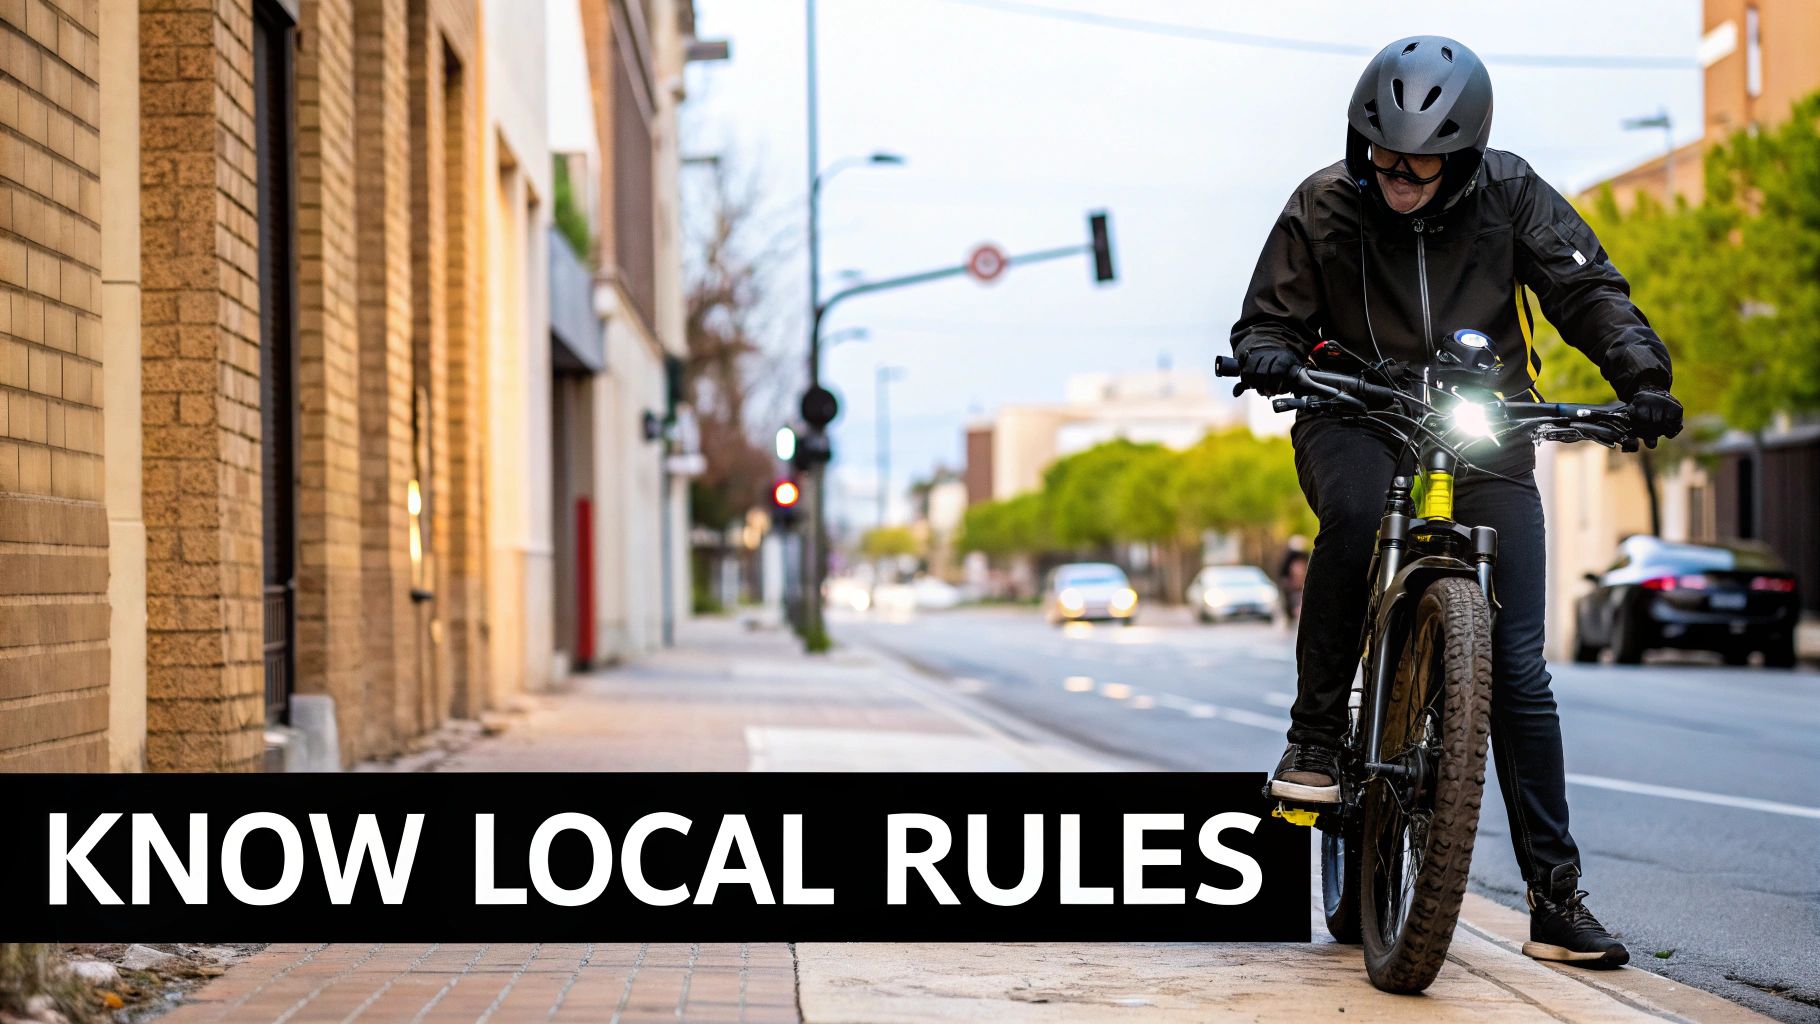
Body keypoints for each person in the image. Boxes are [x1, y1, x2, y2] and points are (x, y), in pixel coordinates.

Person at [1229, 35, 1684, 968]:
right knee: (1355, 515)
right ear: (1363, 145)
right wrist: (1272, 349)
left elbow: (1587, 288)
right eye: (1386, 159)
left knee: (1517, 671)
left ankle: (1556, 902)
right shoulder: (1321, 204)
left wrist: (1639, 370)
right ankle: (1316, 740)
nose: (1400, 178)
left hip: (1486, 426)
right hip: (1357, 413)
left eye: (1422, 165)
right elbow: (1267, 314)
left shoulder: (1513, 194)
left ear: (1465, 156)